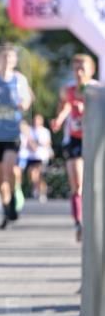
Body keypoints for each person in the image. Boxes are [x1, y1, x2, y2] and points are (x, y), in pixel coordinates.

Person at [0, 43, 32, 229]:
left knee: (8, 168)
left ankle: (12, 196)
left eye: (11, 58)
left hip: (12, 131)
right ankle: (5, 208)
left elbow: (27, 101)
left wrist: (21, 103)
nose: (7, 61)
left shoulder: (19, 79)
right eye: (4, 57)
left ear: (14, 61)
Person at [50, 53, 97, 241]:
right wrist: (59, 120)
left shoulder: (97, 90)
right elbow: (65, 107)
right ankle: (79, 222)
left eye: (82, 69)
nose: (78, 73)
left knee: (93, 184)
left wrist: (87, 110)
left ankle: (94, 218)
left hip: (94, 139)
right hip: (74, 140)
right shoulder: (67, 90)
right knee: (76, 183)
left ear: (91, 71)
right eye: (75, 69)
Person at [23, 114, 53, 202]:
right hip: (32, 156)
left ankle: (42, 192)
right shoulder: (30, 131)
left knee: (41, 175)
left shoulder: (45, 131)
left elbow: (48, 143)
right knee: (32, 175)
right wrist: (32, 145)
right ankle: (36, 187)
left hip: (42, 156)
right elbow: (27, 142)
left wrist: (39, 143)